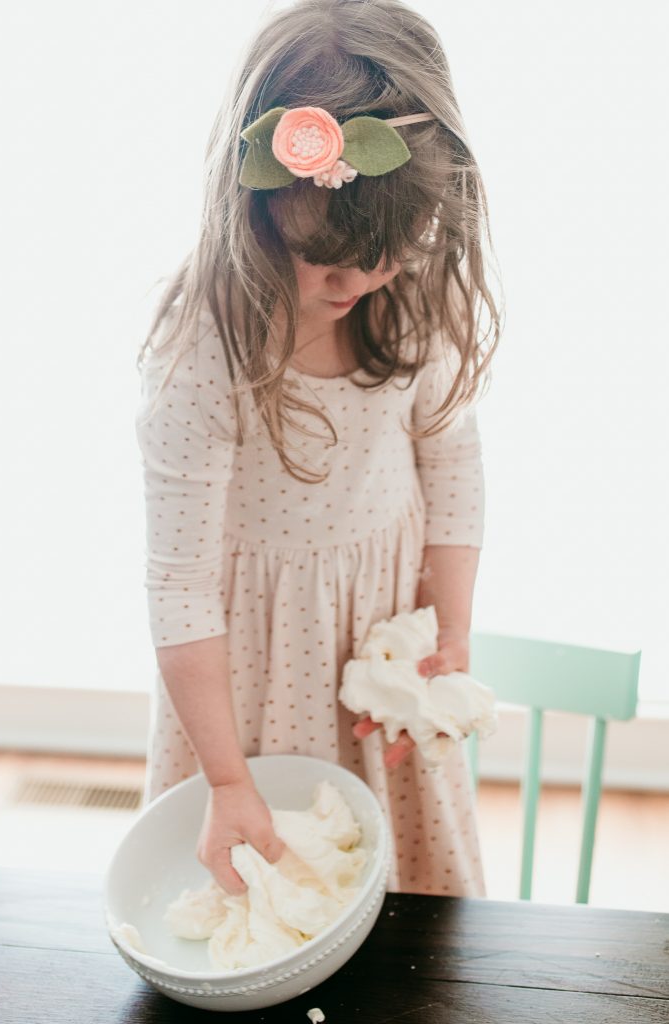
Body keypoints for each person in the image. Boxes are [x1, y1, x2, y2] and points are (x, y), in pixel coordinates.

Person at [134, 0, 503, 900]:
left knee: (412, 899)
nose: (355, 282)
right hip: (253, 682)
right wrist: (226, 781)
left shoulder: (407, 301)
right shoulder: (201, 355)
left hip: (384, 644)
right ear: (251, 201)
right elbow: (178, 584)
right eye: (323, 256)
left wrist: (445, 633)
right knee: (275, 889)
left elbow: (450, 466)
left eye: (383, 254)